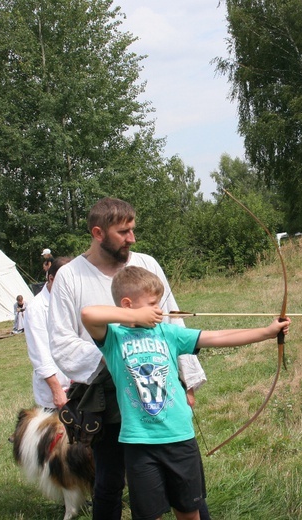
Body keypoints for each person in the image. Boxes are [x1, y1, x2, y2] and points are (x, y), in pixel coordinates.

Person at [81, 266, 291, 520]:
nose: (159, 309)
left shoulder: (168, 333)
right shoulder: (113, 338)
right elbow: (88, 313)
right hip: (139, 444)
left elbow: (217, 337)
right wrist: (133, 315)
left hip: (180, 439)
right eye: (152, 304)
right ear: (128, 304)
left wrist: (266, 333)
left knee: (189, 512)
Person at [49, 197, 208, 520]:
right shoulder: (70, 277)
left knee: (184, 483)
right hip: (106, 393)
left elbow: (173, 322)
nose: (132, 238)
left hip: (158, 384)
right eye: (123, 232)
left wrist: (188, 380)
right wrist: (115, 359)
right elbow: (61, 341)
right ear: (98, 232)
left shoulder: (146, 264)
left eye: (133, 230)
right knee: (108, 479)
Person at [25, 257, 72, 411]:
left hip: (78, 385)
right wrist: (56, 390)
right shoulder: (36, 308)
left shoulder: (71, 300)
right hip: (56, 391)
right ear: (51, 278)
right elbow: (40, 353)